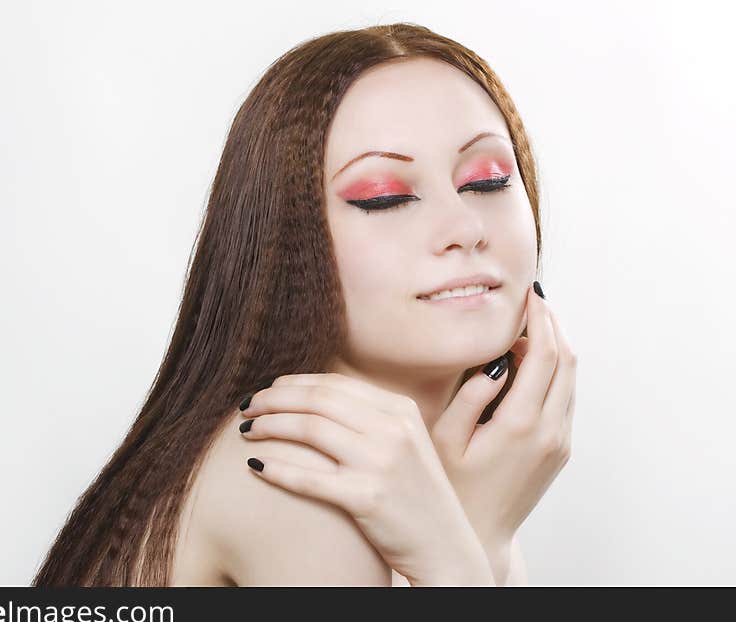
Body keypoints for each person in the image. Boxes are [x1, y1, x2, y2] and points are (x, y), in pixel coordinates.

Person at [32, 22, 576, 587]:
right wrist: (467, 554)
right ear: (286, 240)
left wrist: (477, 536)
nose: (464, 228)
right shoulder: (296, 482)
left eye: (486, 181)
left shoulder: (429, 488)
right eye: (384, 197)